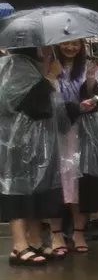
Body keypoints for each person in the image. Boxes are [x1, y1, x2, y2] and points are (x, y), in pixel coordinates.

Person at [49, 39, 98, 256]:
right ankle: (56, 233)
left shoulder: (86, 67)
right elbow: (46, 101)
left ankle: (78, 232)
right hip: (55, 134)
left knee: (80, 185)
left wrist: (90, 80)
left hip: (82, 134)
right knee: (57, 184)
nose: (70, 47)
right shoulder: (47, 66)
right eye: (65, 43)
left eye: (75, 43)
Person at [1, 47, 61, 266]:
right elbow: (29, 104)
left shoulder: (29, 65)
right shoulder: (14, 65)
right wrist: (51, 76)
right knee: (16, 191)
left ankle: (34, 240)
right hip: (16, 142)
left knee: (35, 190)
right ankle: (19, 244)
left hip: (35, 143)